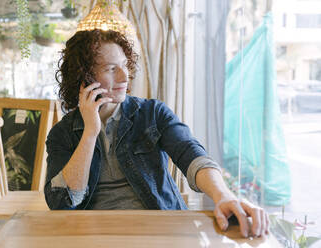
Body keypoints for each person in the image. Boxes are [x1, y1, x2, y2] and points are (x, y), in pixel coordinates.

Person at [44, 29, 269, 238]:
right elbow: (63, 201)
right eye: (111, 69)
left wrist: (223, 195)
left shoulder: (152, 113)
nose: (125, 77)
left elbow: (190, 152)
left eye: (124, 65)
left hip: (160, 233)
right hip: (97, 236)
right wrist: (90, 133)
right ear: (84, 78)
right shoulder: (61, 134)